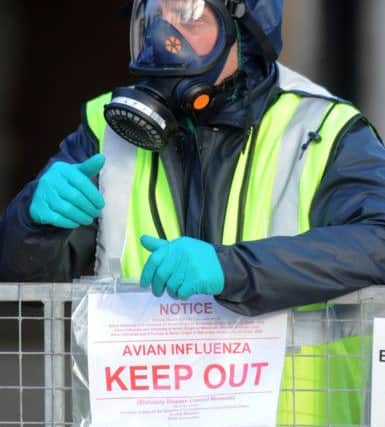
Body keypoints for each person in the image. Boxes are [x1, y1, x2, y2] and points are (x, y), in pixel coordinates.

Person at [1, 0, 385, 423]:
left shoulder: (322, 129)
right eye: (153, 18)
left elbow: (378, 240)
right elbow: (26, 286)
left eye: (187, 16)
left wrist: (236, 270)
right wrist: (33, 225)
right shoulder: (105, 132)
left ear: (247, 30)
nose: (163, 38)